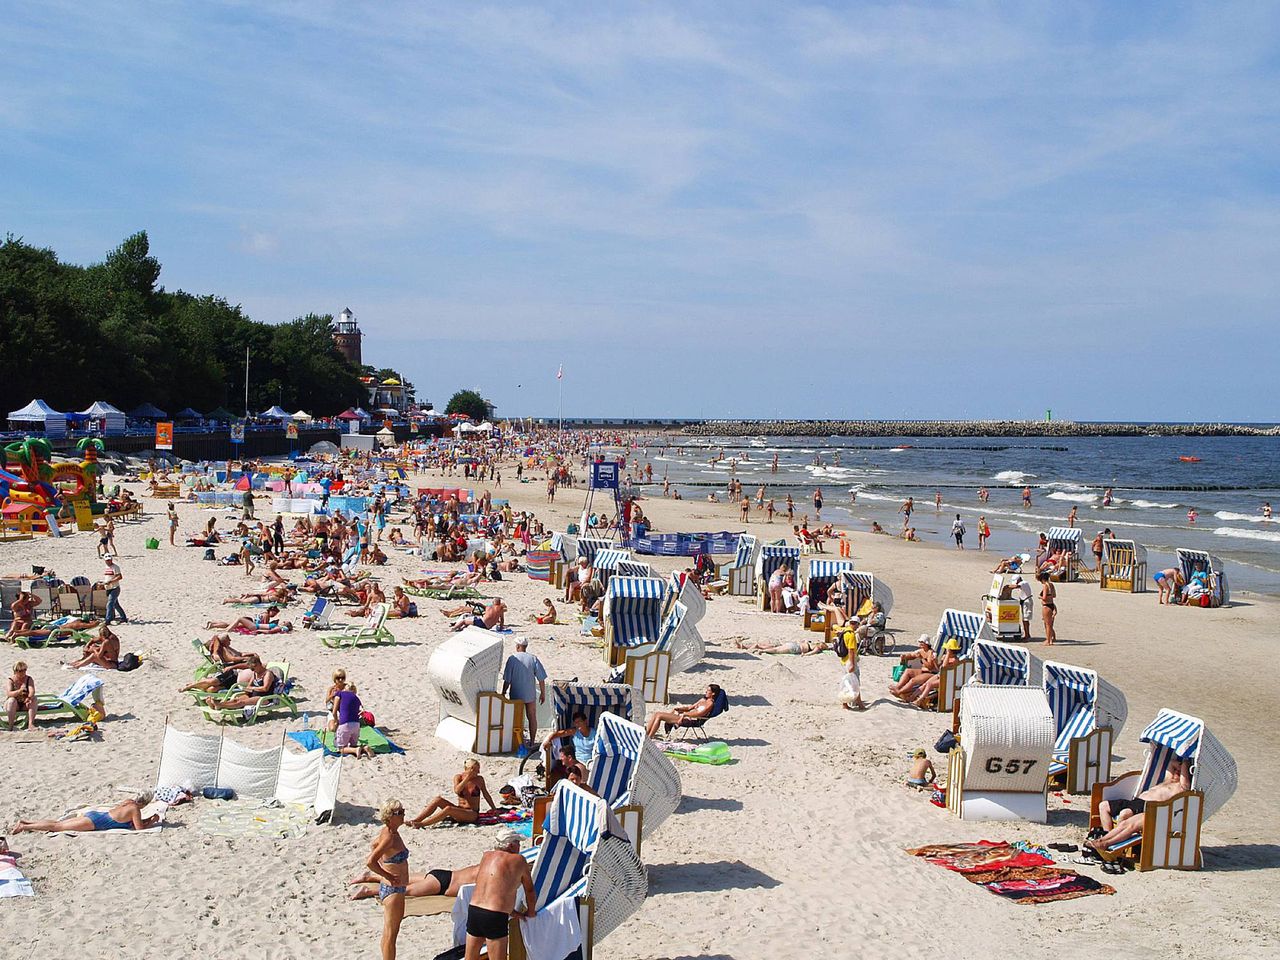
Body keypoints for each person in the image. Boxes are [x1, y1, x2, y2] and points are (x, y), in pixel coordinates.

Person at [1085, 759, 1192, 857]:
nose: (1177, 771)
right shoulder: (1169, 780)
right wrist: (1180, 764)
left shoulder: (1182, 787)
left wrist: (1185, 763)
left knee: (1129, 823)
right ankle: (1102, 840)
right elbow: (1171, 762)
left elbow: (1184, 779)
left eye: (1181, 771)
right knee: (1120, 820)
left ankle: (1105, 843)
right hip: (1137, 801)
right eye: (1177, 769)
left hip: (1151, 808)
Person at [465, 831, 536, 960]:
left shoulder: (486, 856)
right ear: (510, 845)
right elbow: (529, 890)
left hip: (474, 909)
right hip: (495, 915)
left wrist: (512, 912)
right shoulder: (518, 860)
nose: (520, 847)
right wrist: (531, 912)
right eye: (518, 843)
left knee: (470, 958)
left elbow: (493, 889)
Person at [366, 799, 409, 960]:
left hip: (391, 889)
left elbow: (374, 844)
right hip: (394, 890)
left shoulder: (387, 831)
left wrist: (384, 867)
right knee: (391, 936)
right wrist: (388, 875)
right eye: (399, 813)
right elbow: (370, 861)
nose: (403, 814)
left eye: (403, 811)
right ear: (390, 816)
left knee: (388, 933)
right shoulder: (389, 837)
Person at [408, 759, 497, 828]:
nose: (478, 772)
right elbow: (457, 790)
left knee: (448, 809)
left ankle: (422, 824)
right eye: (476, 770)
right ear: (469, 769)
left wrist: (494, 809)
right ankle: (416, 820)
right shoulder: (458, 777)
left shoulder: (479, 779)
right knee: (437, 800)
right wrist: (467, 778)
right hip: (459, 809)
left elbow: (486, 795)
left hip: (472, 813)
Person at [14, 793, 158, 833]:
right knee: (57, 827)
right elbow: (139, 829)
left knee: (58, 824)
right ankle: (25, 827)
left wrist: (149, 818)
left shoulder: (128, 802)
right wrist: (152, 821)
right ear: (144, 804)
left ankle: (27, 822)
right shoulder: (135, 809)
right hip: (96, 822)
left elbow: (132, 822)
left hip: (96, 815)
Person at [350, 861, 481, 901]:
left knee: (402, 881)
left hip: (442, 873)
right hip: (442, 885)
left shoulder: (482, 865)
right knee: (404, 890)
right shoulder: (485, 874)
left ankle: (370, 877)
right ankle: (369, 891)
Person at [501, 638, 547, 742]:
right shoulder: (533, 658)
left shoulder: (512, 659)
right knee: (532, 716)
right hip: (530, 693)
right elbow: (541, 679)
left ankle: (518, 740)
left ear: (517, 646)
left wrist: (503, 692)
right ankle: (532, 740)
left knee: (517, 718)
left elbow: (507, 679)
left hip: (516, 694)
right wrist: (543, 693)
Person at [645, 684, 722, 737]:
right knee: (656, 714)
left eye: (708, 690)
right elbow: (689, 708)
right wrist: (680, 709)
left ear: (713, 693)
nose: (706, 692)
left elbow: (699, 714)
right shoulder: (702, 700)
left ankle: (650, 737)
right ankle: (647, 734)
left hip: (692, 720)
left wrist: (685, 715)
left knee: (659, 715)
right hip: (684, 716)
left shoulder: (710, 704)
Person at [333, 681, 374, 759]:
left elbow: (334, 711)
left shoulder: (340, 693)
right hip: (356, 724)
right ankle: (364, 748)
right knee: (353, 745)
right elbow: (362, 710)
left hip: (345, 724)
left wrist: (336, 721)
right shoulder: (356, 698)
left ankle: (356, 750)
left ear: (345, 687)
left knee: (341, 748)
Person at [5, 661, 36, 729]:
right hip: (15, 704)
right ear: (15, 671)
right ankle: (11, 726)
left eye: (25, 670)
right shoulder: (11, 680)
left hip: (25, 703)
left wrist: (29, 697)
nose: (23, 672)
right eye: (20, 670)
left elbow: (32, 690)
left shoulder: (28, 679)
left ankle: (30, 724)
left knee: (33, 699)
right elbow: (9, 693)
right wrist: (19, 691)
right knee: (11, 700)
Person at [102, 555, 128, 625]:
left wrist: (110, 581)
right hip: (108, 588)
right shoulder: (106, 567)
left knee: (110, 603)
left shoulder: (115, 567)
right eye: (107, 560)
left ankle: (108, 619)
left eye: (110, 560)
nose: (109, 561)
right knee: (116, 604)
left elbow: (119, 576)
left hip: (115, 588)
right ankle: (123, 617)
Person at [1038, 571, 1057, 645]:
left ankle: (1048, 640)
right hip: (1051, 604)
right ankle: (1051, 639)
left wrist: (1040, 597)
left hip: (1046, 606)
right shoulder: (1051, 585)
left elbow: (1044, 597)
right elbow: (1054, 595)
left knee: (1047, 624)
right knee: (1050, 624)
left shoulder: (1045, 586)